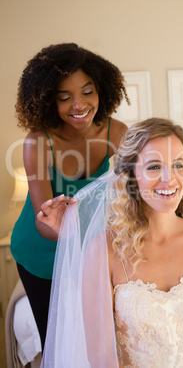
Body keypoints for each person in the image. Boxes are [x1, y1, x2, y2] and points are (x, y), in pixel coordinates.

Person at [39, 118, 183, 367]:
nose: (170, 179)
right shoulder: (102, 249)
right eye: (154, 166)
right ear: (131, 177)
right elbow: (101, 356)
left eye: (178, 164)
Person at [10, 42, 129, 350]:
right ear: (49, 101)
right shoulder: (38, 142)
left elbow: (139, 187)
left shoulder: (115, 132)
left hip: (90, 247)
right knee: (57, 340)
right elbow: (43, 222)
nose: (79, 104)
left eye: (88, 92)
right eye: (65, 97)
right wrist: (60, 224)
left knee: (98, 338)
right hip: (41, 251)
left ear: (101, 89)